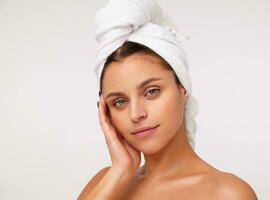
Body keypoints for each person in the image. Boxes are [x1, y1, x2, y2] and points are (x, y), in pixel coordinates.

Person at [78, 1, 258, 199]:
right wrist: (120, 170)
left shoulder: (227, 193)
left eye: (152, 91)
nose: (136, 114)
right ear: (105, 112)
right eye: (120, 102)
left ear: (183, 88)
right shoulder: (106, 182)